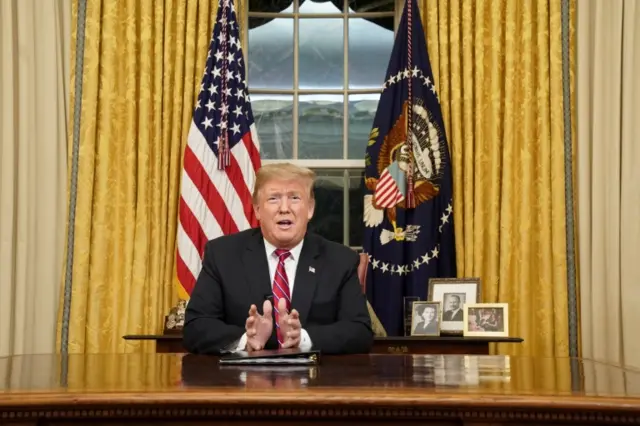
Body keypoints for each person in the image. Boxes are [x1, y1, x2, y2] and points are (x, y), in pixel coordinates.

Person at [183, 163, 374, 355]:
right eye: (273, 199)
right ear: (257, 210)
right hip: (241, 380)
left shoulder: (340, 260)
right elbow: (196, 327)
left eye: (294, 198)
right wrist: (245, 339)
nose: (284, 208)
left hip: (315, 380)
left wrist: (303, 339)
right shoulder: (222, 255)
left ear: (310, 209)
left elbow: (359, 331)